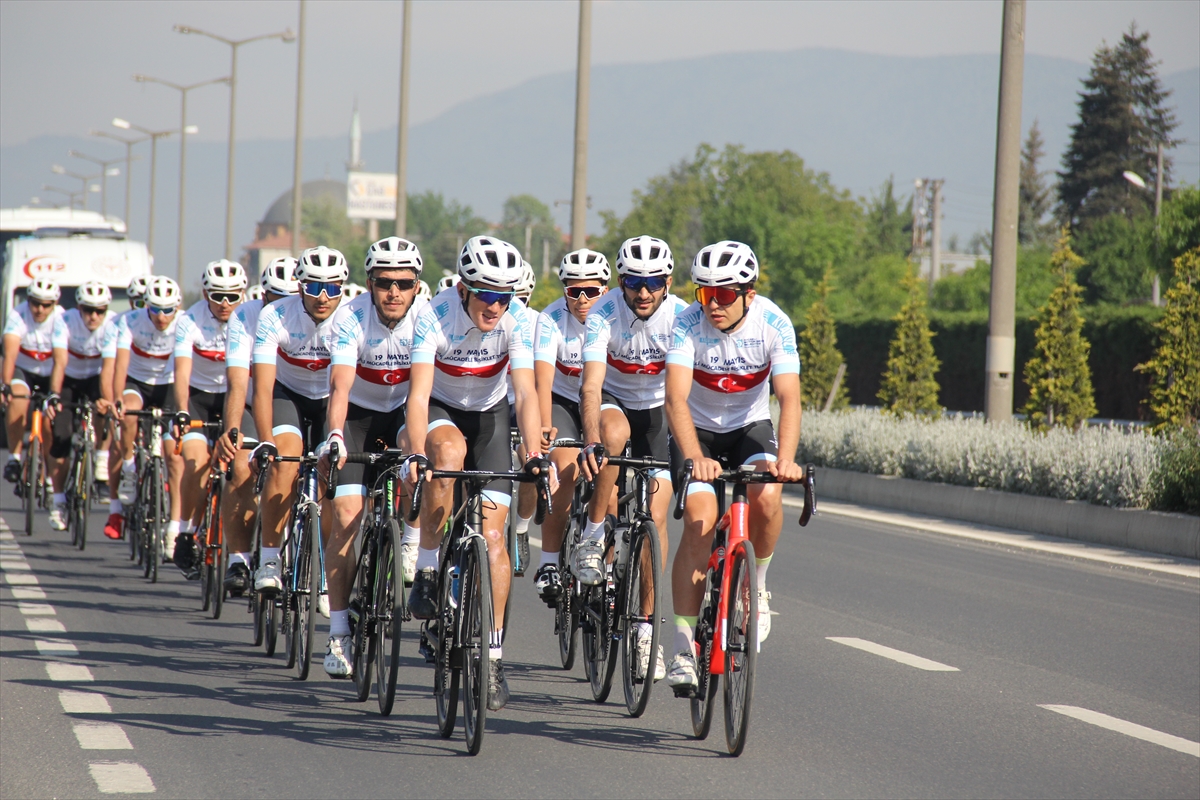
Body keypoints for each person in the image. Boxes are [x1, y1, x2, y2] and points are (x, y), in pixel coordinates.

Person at [404, 235, 546, 711]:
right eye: (486, 294)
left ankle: (492, 654)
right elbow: (419, 395)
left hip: (490, 416)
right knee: (446, 453)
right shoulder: (433, 315)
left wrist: (531, 454)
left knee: (495, 539)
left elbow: (524, 394)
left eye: (503, 297)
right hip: (442, 408)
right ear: (464, 288)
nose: (494, 305)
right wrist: (419, 452)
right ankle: (426, 569)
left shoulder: (518, 322)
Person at [662, 241, 802, 694]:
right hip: (695, 431)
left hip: (749, 427)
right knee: (701, 523)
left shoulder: (773, 323)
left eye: (724, 295)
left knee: (768, 496)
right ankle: (684, 647)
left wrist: (786, 459)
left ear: (749, 293)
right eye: (705, 294)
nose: (713, 305)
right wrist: (694, 456)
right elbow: (675, 398)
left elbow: (790, 397)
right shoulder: (687, 324)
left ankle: (757, 586)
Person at [578, 235, 689, 683]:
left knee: (656, 519)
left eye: (654, 282)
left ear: (667, 282)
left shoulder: (683, 317)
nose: (643, 292)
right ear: (621, 282)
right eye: (634, 282)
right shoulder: (603, 312)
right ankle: (593, 531)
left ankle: (645, 635)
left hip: (660, 411)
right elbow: (589, 385)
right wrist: (590, 440)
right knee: (614, 434)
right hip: (614, 400)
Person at [320, 237, 426, 678]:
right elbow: (341, 386)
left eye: (404, 282)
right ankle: (339, 634)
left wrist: (416, 451)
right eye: (385, 283)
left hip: (404, 413)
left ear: (417, 285)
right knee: (346, 514)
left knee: (421, 464)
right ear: (369, 283)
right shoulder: (349, 318)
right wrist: (335, 436)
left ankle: (411, 542)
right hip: (360, 416)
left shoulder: (426, 317)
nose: (394, 292)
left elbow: (423, 393)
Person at [249, 246, 345, 597]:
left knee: (332, 480)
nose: (323, 297)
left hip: (330, 399)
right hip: (287, 394)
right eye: (314, 287)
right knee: (285, 460)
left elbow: (345, 384)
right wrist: (264, 440)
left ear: (343, 288)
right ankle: (271, 558)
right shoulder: (275, 314)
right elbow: (261, 387)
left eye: (332, 288)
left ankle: (323, 565)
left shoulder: (349, 318)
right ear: (299, 285)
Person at [213, 257, 298, 596]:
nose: (284, 307)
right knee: (240, 466)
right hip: (251, 397)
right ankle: (238, 557)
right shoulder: (244, 317)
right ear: (262, 296)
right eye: (277, 300)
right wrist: (232, 431)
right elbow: (237, 381)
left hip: (289, 400)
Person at [531, 248, 610, 605]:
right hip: (564, 402)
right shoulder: (550, 321)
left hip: (605, 400)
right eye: (573, 290)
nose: (582, 299)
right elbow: (542, 385)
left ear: (605, 290)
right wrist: (546, 428)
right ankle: (549, 562)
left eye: (591, 291)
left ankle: (606, 562)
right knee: (564, 467)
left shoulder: (613, 317)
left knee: (612, 470)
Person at [170, 259, 248, 577]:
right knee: (195, 463)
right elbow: (181, 372)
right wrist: (183, 411)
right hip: (199, 400)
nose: (225, 303)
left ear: (243, 294)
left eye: (232, 296)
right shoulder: (189, 321)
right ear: (205, 294)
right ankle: (187, 531)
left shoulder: (248, 319)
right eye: (218, 295)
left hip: (235, 399)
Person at [113, 276, 184, 556]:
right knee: (129, 415)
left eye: (169, 310)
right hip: (137, 382)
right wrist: (118, 396)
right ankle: (129, 468)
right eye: (155, 309)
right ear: (146, 306)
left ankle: (175, 527)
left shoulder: (185, 323)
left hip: (169, 384)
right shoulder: (130, 321)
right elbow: (120, 363)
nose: (162, 316)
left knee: (174, 456)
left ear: (177, 307)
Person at [51, 282, 117, 530]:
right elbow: (59, 362)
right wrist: (55, 396)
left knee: (103, 408)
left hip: (97, 378)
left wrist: (107, 400)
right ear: (78, 307)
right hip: (69, 379)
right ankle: (58, 499)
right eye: (88, 310)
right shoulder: (64, 321)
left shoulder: (112, 323)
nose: (94, 316)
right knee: (61, 436)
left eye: (100, 310)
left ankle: (101, 457)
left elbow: (109, 368)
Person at [1, 278, 68, 518]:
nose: (39, 310)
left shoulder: (62, 318)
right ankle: (15, 457)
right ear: (28, 301)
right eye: (35, 304)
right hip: (24, 370)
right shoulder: (18, 316)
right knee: (18, 398)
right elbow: (9, 355)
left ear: (54, 304)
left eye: (45, 305)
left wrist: (55, 393)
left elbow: (61, 360)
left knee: (50, 424)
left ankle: (50, 477)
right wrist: (5, 386)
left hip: (51, 372)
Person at [102, 275, 150, 540]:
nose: (144, 307)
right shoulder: (120, 324)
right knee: (118, 442)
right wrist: (113, 403)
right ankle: (115, 509)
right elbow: (111, 368)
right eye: (139, 301)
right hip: (129, 385)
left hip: (158, 387)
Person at [507, 261, 540, 576]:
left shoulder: (535, 322)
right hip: (487, 401)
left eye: (522, 297)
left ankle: (520, 528)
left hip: (519, 401)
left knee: (530, 461)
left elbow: (540, 382)